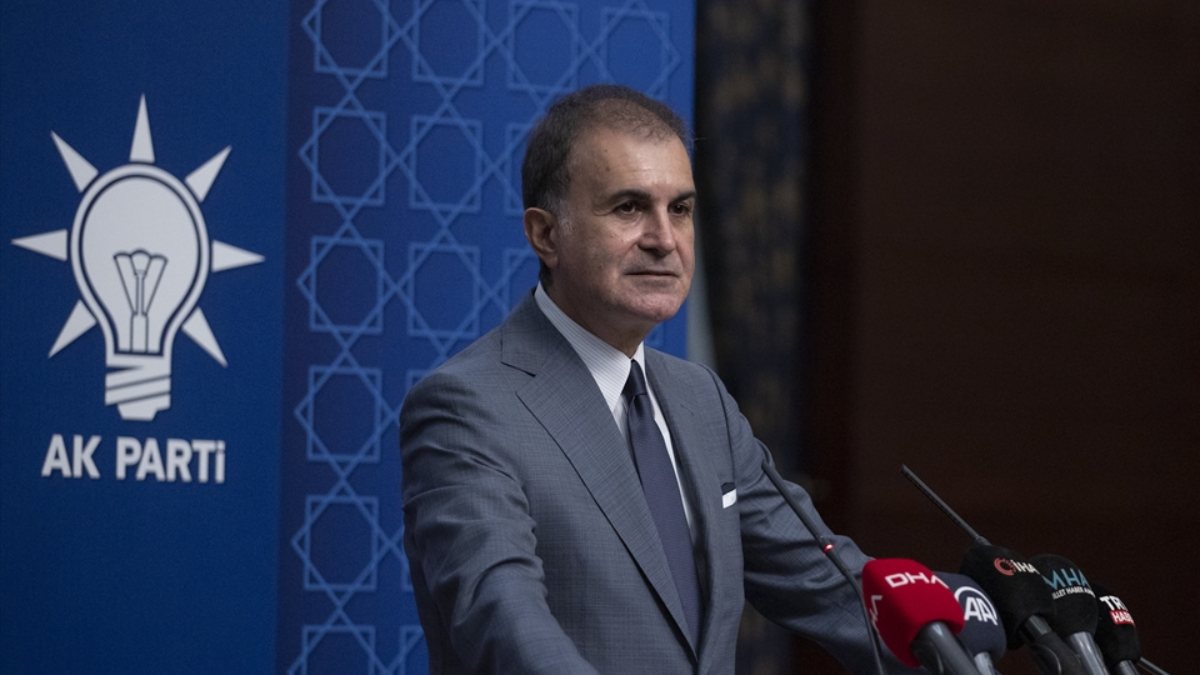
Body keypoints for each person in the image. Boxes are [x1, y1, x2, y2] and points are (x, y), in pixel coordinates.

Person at [400, 84, 907, 674]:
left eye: (681, 210)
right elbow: (504, 622)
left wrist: (980, 619)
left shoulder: (702, 401)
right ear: (546, 235)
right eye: (628, 207)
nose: (664, 240)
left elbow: (830, 582)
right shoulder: (468, 407)